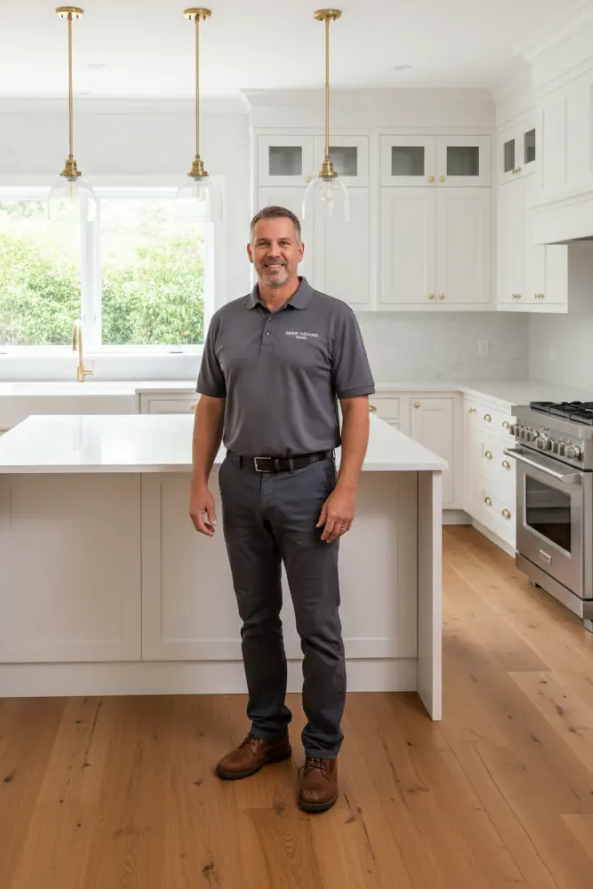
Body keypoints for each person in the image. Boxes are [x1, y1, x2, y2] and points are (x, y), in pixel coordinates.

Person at [188, 204, 375, 814]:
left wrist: (345, 488)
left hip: (309, 485)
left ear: (301, 251)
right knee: (256, 621)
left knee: (319, 628)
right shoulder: (226, 322)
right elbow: (210, 408)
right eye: (263, 243)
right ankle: (268, 733)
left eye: (285, 243)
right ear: (249, 252)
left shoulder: (333, 317)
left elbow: (356, 409)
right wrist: (199, 481)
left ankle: (321, 751)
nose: (274, 252)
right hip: (241, 484)